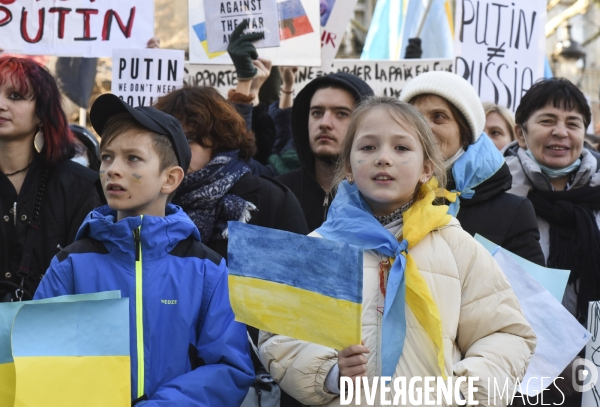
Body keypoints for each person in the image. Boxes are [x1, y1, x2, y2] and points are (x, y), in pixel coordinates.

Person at [258, 97, 535, 406]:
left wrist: (465, 390)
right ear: (348, 167)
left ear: (426, 169)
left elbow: (506, 333)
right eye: (368, 147)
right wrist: (331, 373)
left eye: (401, 148)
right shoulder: (317, 248)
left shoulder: (458, 247)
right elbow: (278, 338)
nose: (383, 158)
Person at [34, 93, 254, 406]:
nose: (112, 169)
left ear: (170, 178)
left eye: (132, 158)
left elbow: (228, 368)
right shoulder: (70, 264)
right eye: (107, 157)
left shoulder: (207, 269)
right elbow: (39, 360)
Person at [400, 71, 545, 265]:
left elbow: (528, 293)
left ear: (465, 133)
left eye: (439, 117)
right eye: (414, 118)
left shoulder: (511, 213)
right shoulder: (382, 199)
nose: (424, 128)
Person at [0, 56, 102, 301]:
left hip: (54, 332)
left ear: (42, 113)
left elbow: (91, 280)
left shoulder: (78, 186)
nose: (1, 104)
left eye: (15, 96)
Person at [277, 72, 374, 231]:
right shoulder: (279, 194)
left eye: (341, 114)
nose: (325, 123)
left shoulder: (379, 197)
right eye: (317, 113)